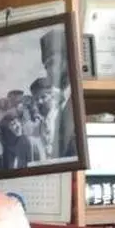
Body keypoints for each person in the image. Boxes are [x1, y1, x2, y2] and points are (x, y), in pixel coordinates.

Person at [36, 28, 77, 159]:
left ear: (68, 60)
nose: (48, 72)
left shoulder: (78, 100)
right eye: (46, 66)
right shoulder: (58, 107)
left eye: (52, 63)